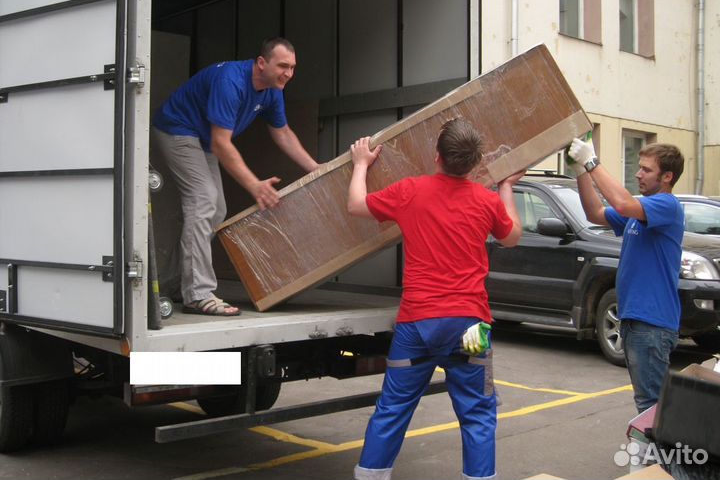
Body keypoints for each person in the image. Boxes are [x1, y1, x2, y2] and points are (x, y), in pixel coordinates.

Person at [347, 118, 524, 480]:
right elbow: (512, 237)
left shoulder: (411, 191)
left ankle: (370, 475)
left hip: (418, 324)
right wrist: (505, 187)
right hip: (473, 326)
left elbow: (356, 206)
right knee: (479, 409)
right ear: (475, 163)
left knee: (393, 407)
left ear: (437, 156)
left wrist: (362, 164)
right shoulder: (487, 201)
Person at [152, 37, 319, 316]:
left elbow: (283, 133)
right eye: (283, 66)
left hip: (203, 140)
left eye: (292, 67)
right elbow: (221, 143)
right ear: (262, 62)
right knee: (203, 200)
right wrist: (254, 185)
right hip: (177, 129)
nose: (288, 74)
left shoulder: (271, 89)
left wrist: (315, 168)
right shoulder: (231, 81)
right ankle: (197, 294)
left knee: (216, 210)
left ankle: (178, 284)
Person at [567, 138, 685, 413]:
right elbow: (595, 213)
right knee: (647, 403)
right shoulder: (640, 211)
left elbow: (621, 203)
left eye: (646, 170)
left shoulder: (667, 206)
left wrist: (591, 162)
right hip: (635, 320)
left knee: (651, 406)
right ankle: (655, 455)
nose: (637, 173)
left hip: (652, 324)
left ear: (667, 177)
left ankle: (664, 457)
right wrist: (581, 173)